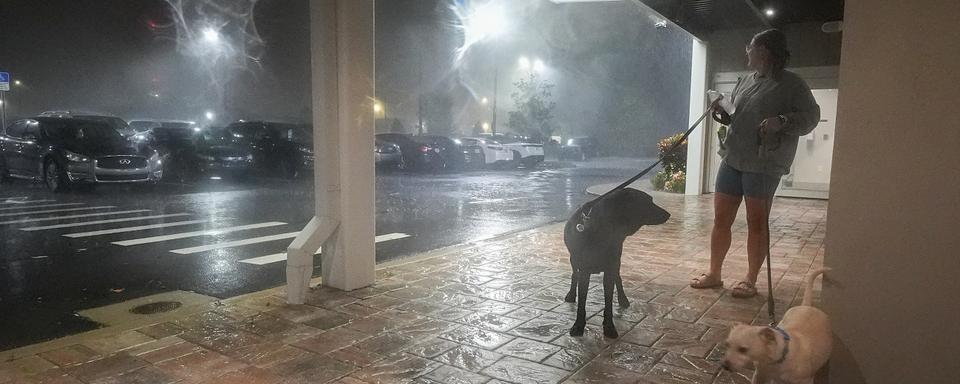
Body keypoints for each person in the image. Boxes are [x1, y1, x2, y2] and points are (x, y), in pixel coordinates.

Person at [690, 29, 820, 298]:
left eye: (750, 46)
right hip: (733, 158)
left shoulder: (792, 84)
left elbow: (811, 118)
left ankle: (750, 279)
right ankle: (715, 273)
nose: (746, 51)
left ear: (763, 50)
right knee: (721, 219)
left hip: (763, 163)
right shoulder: (745, 81)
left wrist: (782, 122)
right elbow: (736, 116)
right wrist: (720, 112)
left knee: (756, 222)